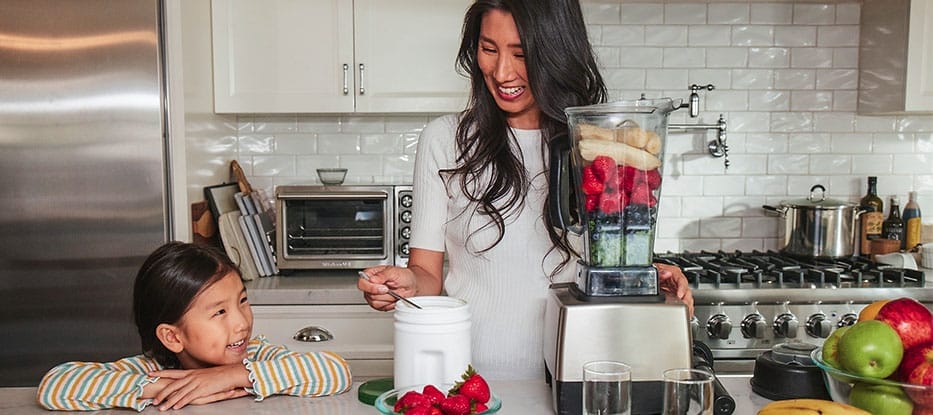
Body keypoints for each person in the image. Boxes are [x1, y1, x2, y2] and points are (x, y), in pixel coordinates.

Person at [357, 0, 693, 380]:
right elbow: (426, 275)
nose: (502, 72)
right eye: (488, 49)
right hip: (470, 377)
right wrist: (407, 283)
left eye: (522, 54)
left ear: (558, 53)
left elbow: (611, 259)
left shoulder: (600, 142)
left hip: (581, 371)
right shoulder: (444, 141)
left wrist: (649, 278)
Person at [37, 242, 352, 411]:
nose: (242, 322)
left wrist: (227, 377)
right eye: (219, 312)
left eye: (242, 301)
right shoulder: (150, 370)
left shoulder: (257, 357)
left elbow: (335, 371)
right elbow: (56, 386)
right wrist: (174, 389)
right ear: (173, 336)